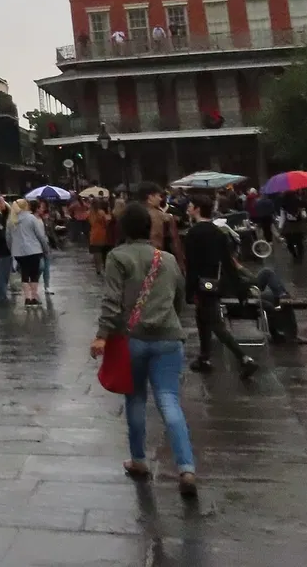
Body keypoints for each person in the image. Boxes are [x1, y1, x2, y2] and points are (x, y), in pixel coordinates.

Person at [90, 202, 197, 499]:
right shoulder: (168, 259)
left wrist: (101, 335)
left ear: (122, 228)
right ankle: (186, 466)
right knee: (169, 401)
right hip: (168, 338)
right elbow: (180, 298)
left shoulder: (118, 257)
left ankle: (139, 459)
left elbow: (112, 302)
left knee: (135, 399)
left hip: (132, 338)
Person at [181, 195, 258, 379]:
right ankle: (204, 357)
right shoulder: (219, 233)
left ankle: (245, 358)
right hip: (216, 282)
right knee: (202, 318)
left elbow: (192, 265)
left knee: (215, 323)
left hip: (201, 283)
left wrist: (189, 290)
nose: (188, 208)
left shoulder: (193, 233)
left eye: (191, 205)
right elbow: (229, 263)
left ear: (198, 208)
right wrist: (238, 287)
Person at [7, 200, 50, 307]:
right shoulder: (31, 218)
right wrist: (45, 249)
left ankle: (27, 298)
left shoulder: (11, 220)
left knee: (24, 273)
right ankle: (34, 297)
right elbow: (40, 236)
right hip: (34, 250)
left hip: (18, 252)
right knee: (34, 274)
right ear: (26, 206)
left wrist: (11, 249)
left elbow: (8, 238)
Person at [88, 200, 114, 275]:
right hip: (103, 234)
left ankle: (98, 269)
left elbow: (90, 222)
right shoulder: (101, 212)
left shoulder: (90, 213)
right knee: (104, 252)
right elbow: (106, 222)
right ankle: (105, 268)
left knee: (96, 253)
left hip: (94, 234)